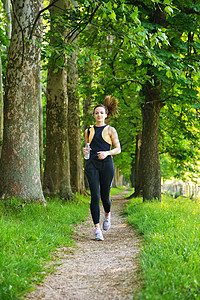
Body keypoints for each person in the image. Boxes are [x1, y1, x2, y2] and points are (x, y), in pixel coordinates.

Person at [83, 96, 121, 241]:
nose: (99, 115)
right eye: (96, 113)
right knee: (95, 196)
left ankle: (107, 215)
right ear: (94, 115)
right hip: (91, 164)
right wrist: (85, 153)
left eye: (101, 113)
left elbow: (118, 149)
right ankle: (97, 229)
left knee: (105, 196)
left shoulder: (110, 130)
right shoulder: (88, 131)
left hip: (107, 164)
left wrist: (107, 153)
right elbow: (87, 150)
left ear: (106, 115)